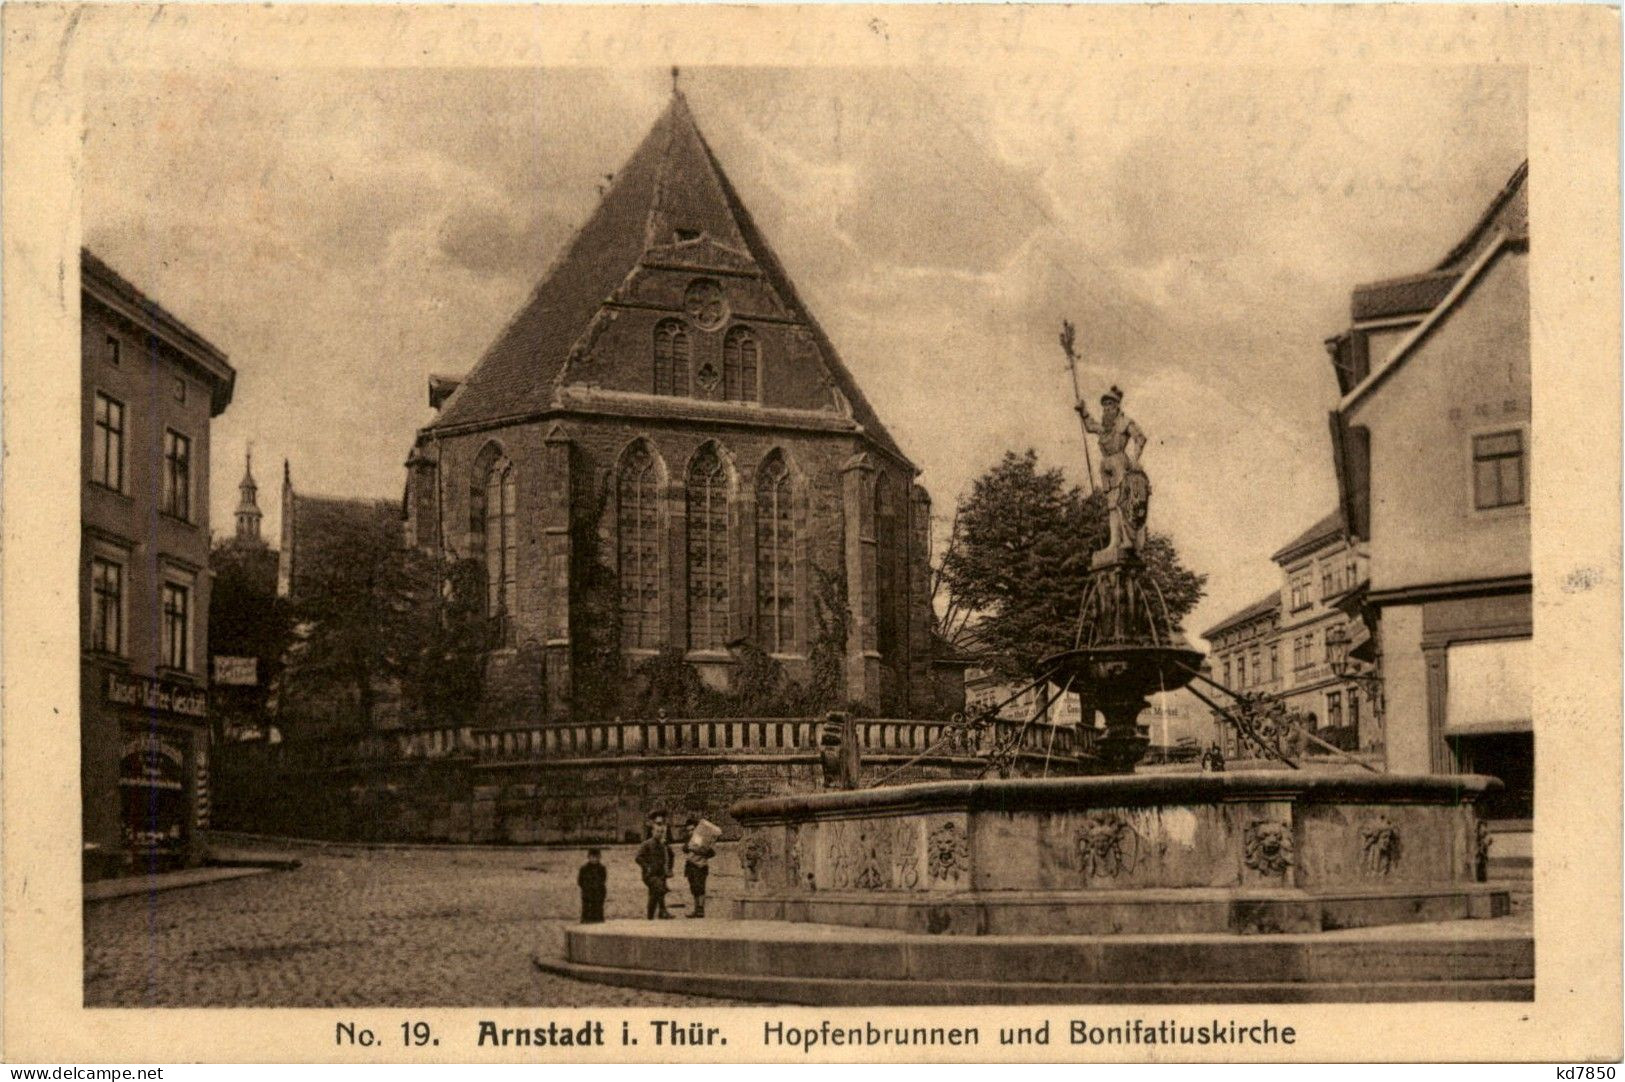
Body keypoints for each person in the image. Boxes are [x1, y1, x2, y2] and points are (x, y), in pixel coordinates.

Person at [1075, 385, 1150, 554]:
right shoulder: (1105, 428)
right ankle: (1114, 541)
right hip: (1106, 465)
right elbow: (1090, 426)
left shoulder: (1124, 422)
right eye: (1104, 405)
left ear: (1117, 406)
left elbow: (1140, 438)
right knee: (1111, 504)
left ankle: (1127, 539)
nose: (1106, 408)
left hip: (1120, 462)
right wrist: (1083, 410)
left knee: (1122, 501)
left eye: (1109, 404)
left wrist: (1136, 459)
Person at [634, 810, 673, 919]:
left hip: (660, 868)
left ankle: (658, 912)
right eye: (657, 822)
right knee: (658, 889)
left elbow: (669, 850)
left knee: (656, 891)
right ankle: (656, 913)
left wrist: (669, 867)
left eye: (661, 821)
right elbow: (640, 854)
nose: (660, 824)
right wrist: (647, 866)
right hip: (651, 870)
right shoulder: (648, 837)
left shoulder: (665, 831)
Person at [682, 818, 716, 919]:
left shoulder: (703, 839)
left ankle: (700, 909)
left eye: (692, 829)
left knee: (700, 887)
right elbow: (684, 848)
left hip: (700, 866)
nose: (690, 832)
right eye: (688, 830)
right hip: (690, 866)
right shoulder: (689, 840)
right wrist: (688, 847)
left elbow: (711, 852)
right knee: (694, 888)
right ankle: (696, 909)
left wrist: (698, 851)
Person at [576, 848, 607, 924]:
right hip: (587, 892)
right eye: (592, 857)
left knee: (598, 908)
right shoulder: (584, 868)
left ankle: (598, 921)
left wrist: (598, 887)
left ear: (599, 857)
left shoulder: (602, 868)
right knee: (586, 907)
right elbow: (580, 880)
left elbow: (603, 879)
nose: (594, 859)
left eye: (596, 857)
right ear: (588, 857)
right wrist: (586, 887)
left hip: (599, 891)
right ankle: (585, 921)